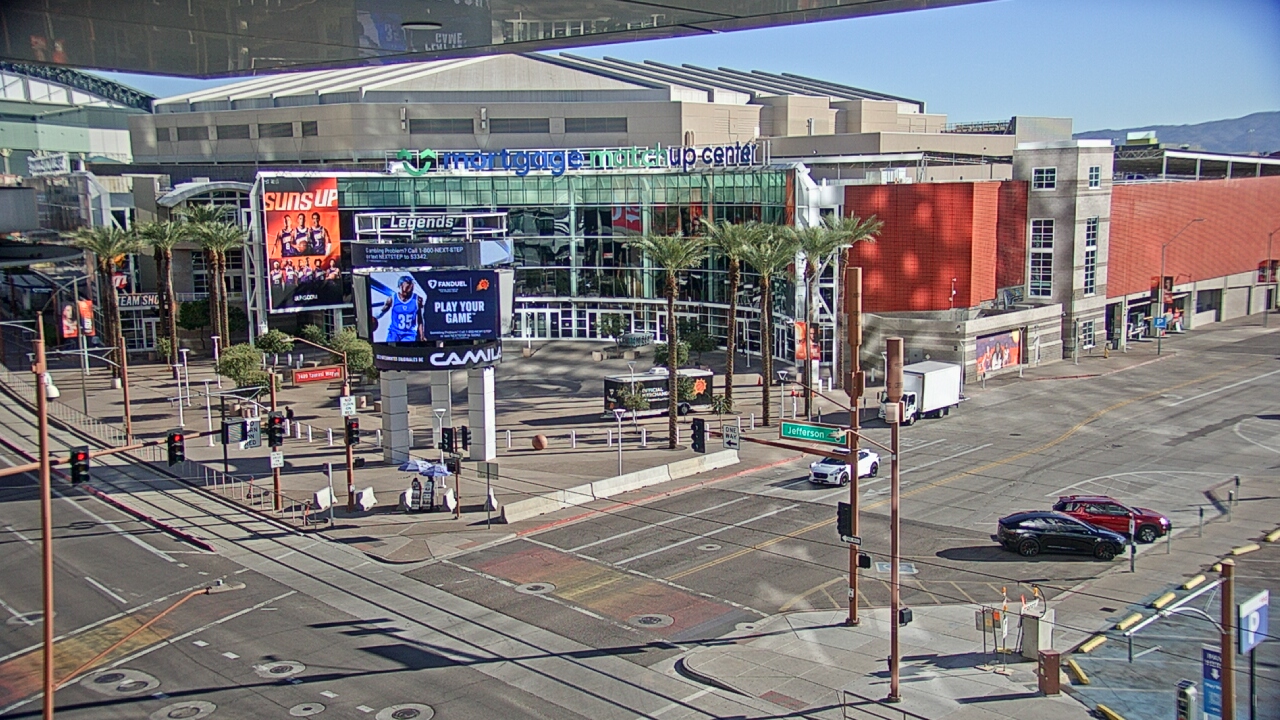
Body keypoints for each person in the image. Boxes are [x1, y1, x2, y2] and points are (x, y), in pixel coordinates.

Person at [375, 275, 424, 342]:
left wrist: (422, 335)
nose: (411, 286)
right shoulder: (392, 299)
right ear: (401, 285)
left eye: (412, 284)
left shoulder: (417, 300)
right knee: (390, 349)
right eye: (408, 284)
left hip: (409, 334)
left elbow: (420, 320)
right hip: (394, 332)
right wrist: (372, 317)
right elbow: (382, 312)